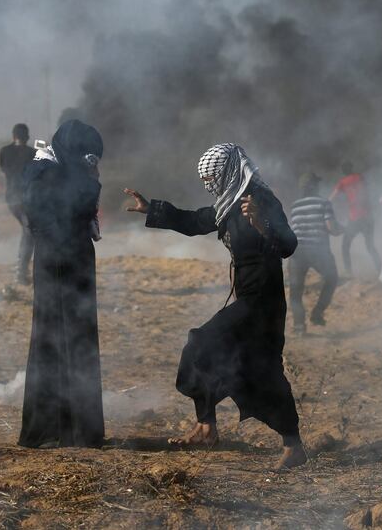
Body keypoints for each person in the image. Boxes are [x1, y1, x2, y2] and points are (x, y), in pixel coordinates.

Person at [124, 143, 307, 469]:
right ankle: (235, 432)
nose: (209, 185)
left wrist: (263, 225)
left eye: (213, 177)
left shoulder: (261, 200)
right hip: (247, 298)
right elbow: (196, 221)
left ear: (230, 171)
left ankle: (214, 427)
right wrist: (151, 208)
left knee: (202, 342)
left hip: (263, 301)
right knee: (257, 367)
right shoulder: (228, 204)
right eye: (205, 179)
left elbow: (289, 245)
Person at [17, 119, 105, 449]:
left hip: (74, 260)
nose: (90, 163)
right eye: (86, 155)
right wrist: (90, 186)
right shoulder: (43, 171)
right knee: (52, 337)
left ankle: (79, 430)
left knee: (79, 338)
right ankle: (48, 428)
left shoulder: (65, 170)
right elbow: (42, 218)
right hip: (57, 263)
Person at [289, 172, 342, 334]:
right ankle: (317, 313)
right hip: (318, 251)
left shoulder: (295, 206)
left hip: (297, 252)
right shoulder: (324, 203)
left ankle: (299, 327)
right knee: (332, 279)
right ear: (314, 186)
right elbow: (331, 228)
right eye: (317, 183)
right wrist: (342, 229)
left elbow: (294, 230)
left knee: (295, 291)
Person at [0, 123, 37, 284]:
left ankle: (22, 270)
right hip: (27, 199)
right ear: (27, 137)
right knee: (29, 231)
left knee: (27, 230)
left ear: (13, 136)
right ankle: (21, 272)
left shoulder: (4, 151)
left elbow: (4, 169)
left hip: (11, 199)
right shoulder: (32, 153)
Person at [329, 161, 381, 276]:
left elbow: (332, 198)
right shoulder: (360, 177)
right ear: (351, 168)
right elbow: (369, 191)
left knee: (345, 246)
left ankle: (349, 272)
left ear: (343, 171)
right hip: (368, 217)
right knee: (370, 246)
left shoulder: (342, 182)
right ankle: (380, 269)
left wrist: (324, 206)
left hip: (355, 219)